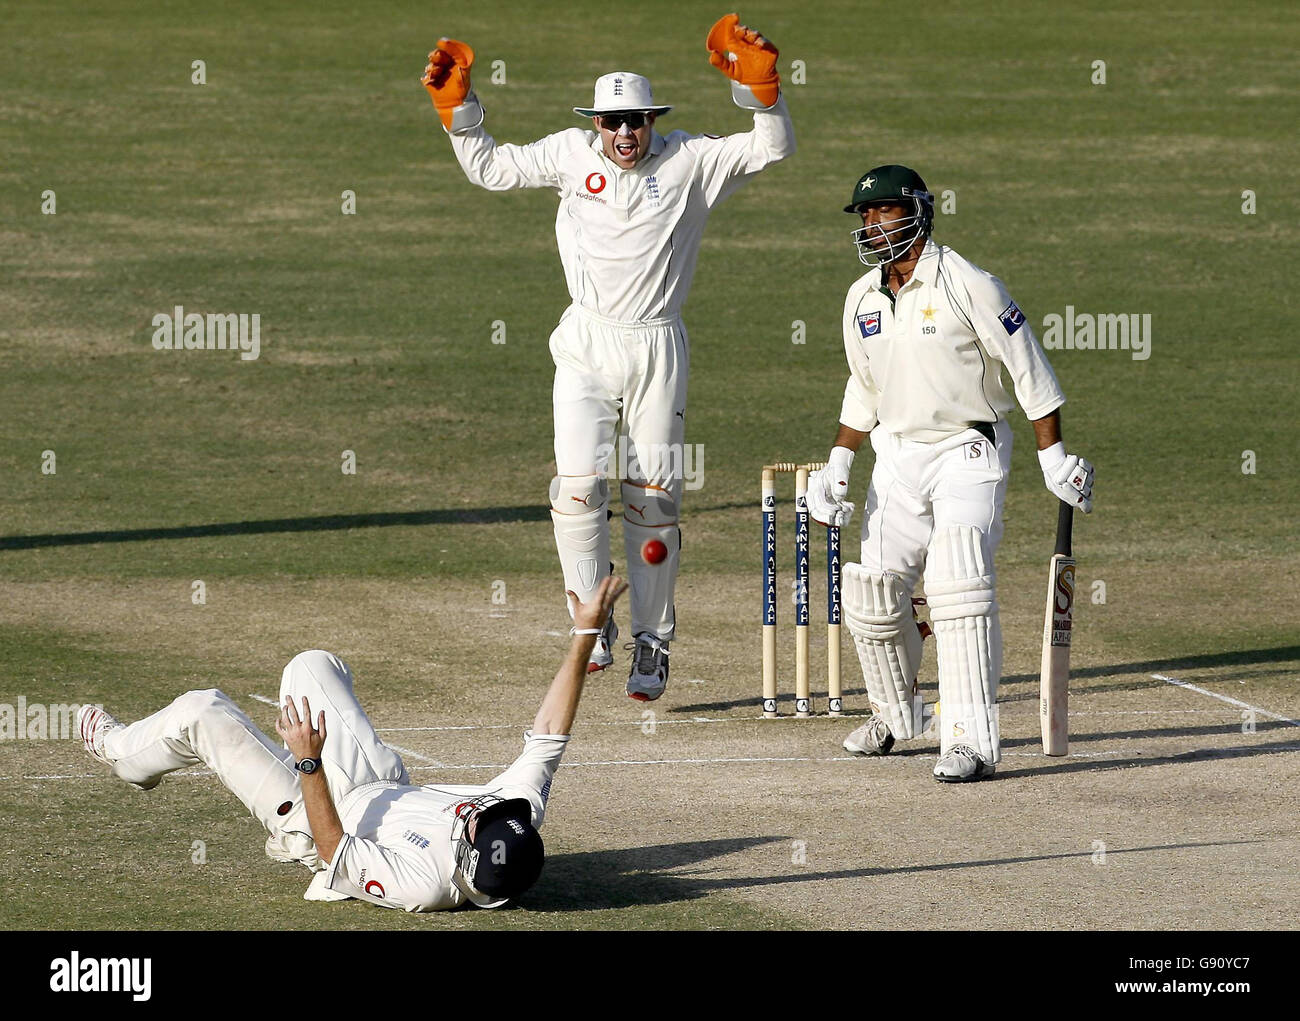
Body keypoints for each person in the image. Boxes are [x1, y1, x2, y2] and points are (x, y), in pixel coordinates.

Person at [420, 14, 795, 702]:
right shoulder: (570, 154)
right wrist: (459, 109)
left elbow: (773, 148)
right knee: (577, 489)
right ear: (595, 124)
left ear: (653, 120)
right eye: (612, 123)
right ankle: (591, 621)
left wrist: (763, 88)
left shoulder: (690, 161)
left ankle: (652, 643)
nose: (624, 135)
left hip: (657, 344)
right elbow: (490, 168)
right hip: (587, 343)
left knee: (653, 502)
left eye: (636, 122)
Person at [76, 577, 628, 911]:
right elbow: (549, 737)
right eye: (485, 814)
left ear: (463, 863)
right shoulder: (513, 815)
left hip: (313, 820)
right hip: (376, 782)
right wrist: (582, 636)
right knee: (312, 666)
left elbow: (333, 849)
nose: (474, 810)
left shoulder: (424, 886)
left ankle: (123, 754)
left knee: (203, 710)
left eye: (473, 823)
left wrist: (308, 758)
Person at [805, 165, 1095, 782]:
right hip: (895, 456)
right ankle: (895, 713)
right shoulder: (862, 297)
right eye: (864, 215)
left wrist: (1053, 457)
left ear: (916, 212)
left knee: (956, 584)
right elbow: (865, 387)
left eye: (883, 212)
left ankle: (969, 740)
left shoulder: (970, 285)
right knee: (874, 593)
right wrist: (838, 462)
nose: (871, 225)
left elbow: (1030, 369)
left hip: (968, 450)